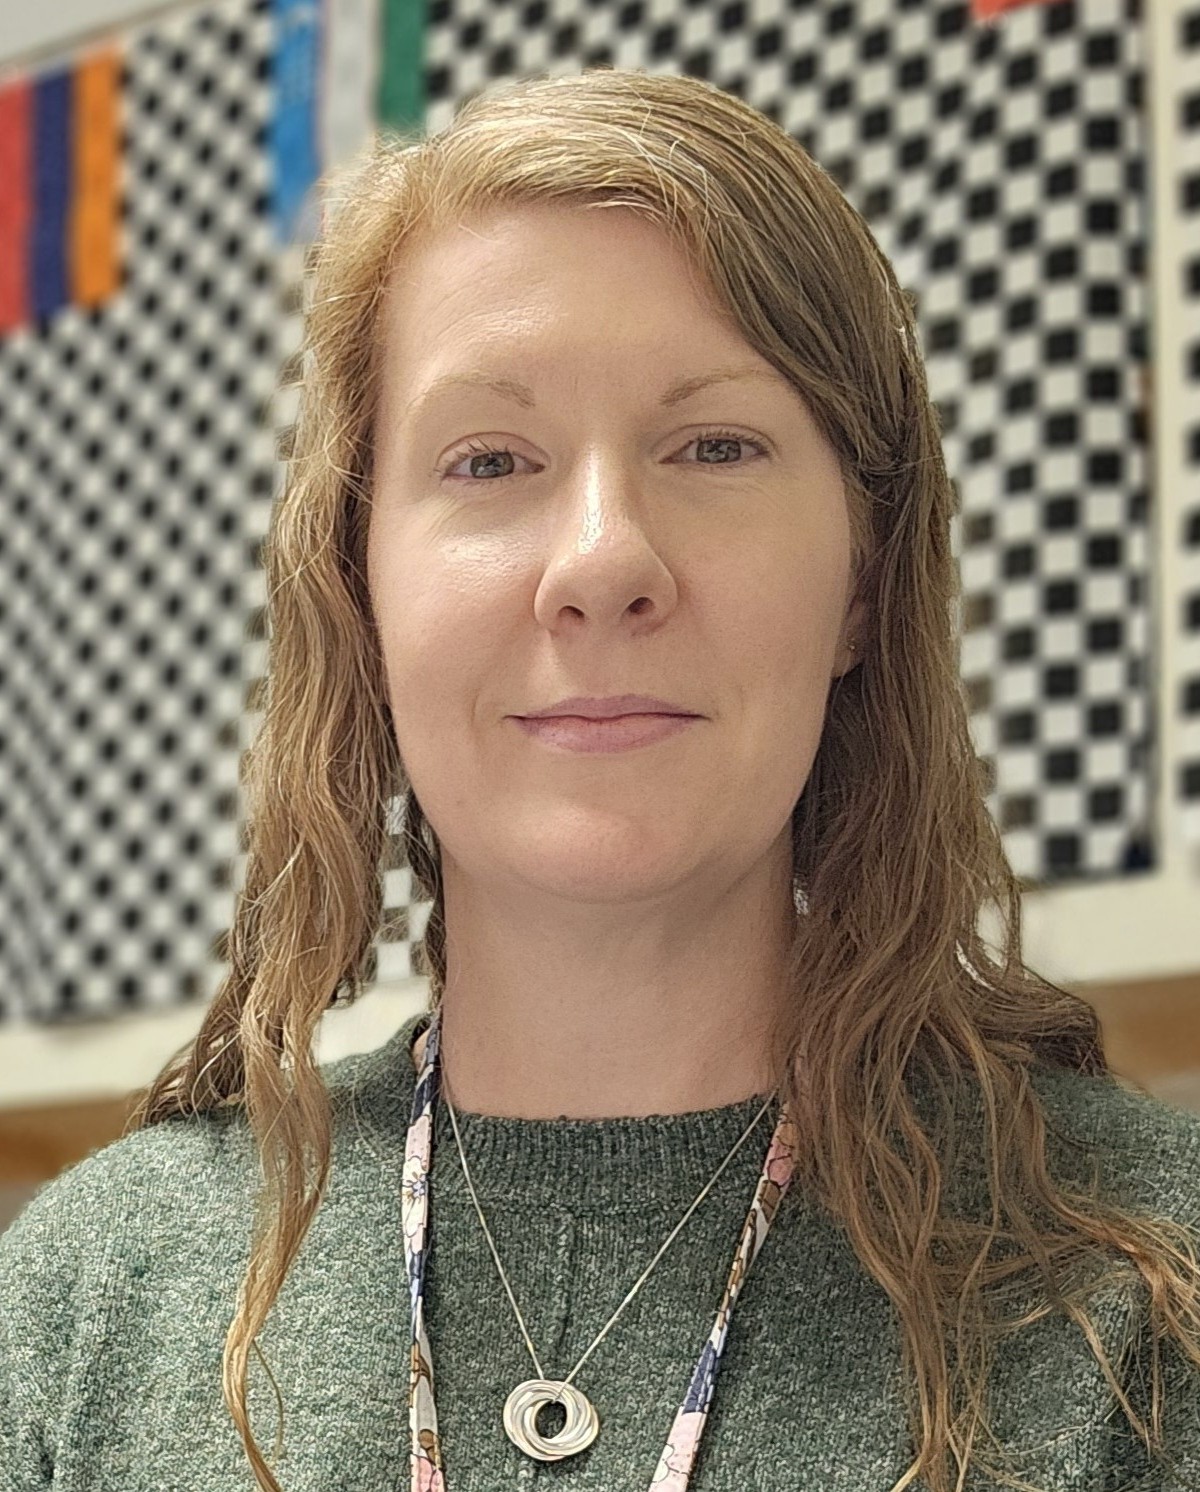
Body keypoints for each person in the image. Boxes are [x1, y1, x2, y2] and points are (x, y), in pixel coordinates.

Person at [2, 66, 1199, 1492]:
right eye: (490, 459)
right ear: (359, 589)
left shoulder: (1149, 1292)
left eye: (715, 446)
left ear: (866, 583)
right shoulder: (91, 1303)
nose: (602, 560)